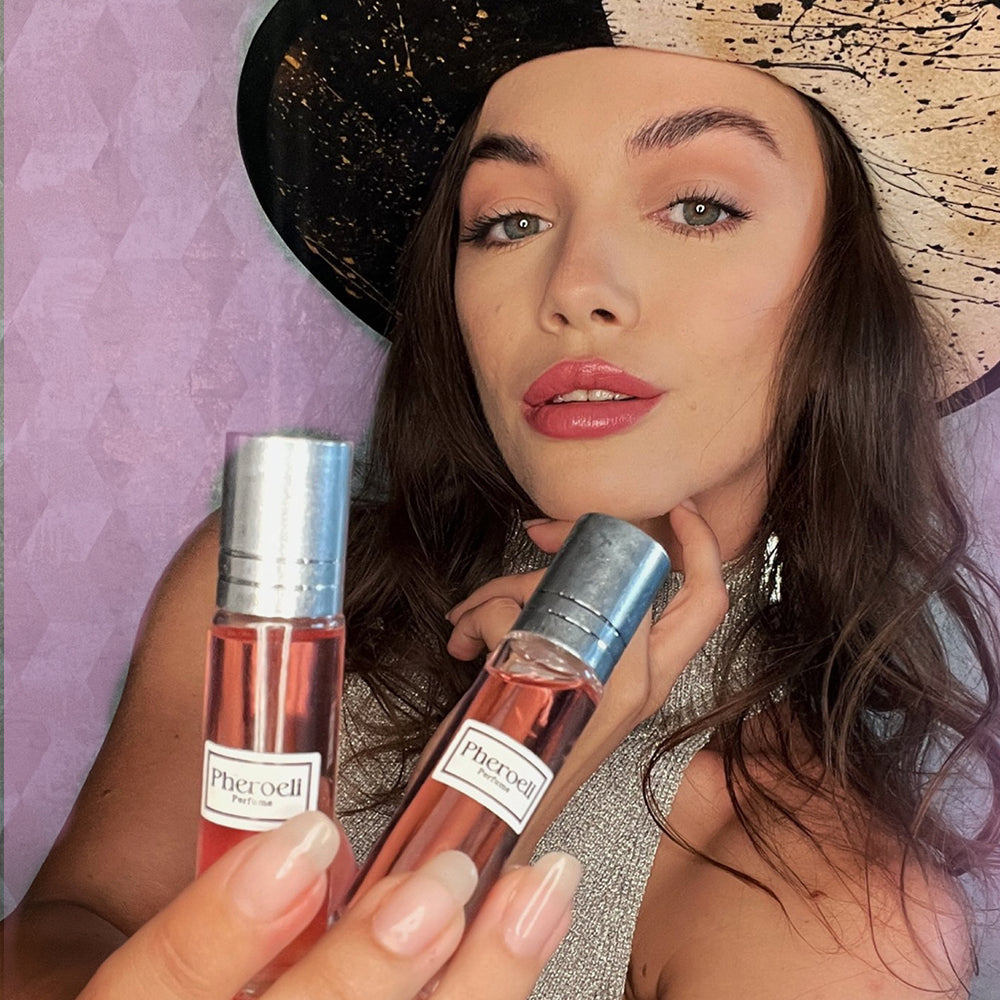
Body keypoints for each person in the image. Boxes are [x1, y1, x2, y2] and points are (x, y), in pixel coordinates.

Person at [4, 1, 1000, 998]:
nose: (573, 286)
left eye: (698, 207)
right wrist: (525, 735)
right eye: (510, 221)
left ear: (840, 293)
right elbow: (59, 929)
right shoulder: (297, 594)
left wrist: (518, 758)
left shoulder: (836, 920)